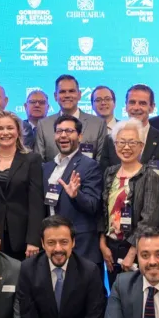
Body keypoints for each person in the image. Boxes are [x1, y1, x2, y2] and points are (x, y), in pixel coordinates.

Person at [99, 120, 159, 288]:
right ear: (115, 145)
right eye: (121, 142)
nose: (126, 147)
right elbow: (103, 210)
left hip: (136, 247)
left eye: (132, 142)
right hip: (110, 246)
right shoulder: (110, 173)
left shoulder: (150, 176)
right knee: (115, 293)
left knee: (134, 294)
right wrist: (103, 244)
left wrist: (132, 252)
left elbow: (149, 219)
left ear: (141, 146)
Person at [0, 110, 43, 261]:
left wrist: (33, 240)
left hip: (22, 238)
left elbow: (36, 203)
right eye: (0, 128)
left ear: (18, 131)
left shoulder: (32, 160)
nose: (5, 133)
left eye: (10, 128)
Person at [42, 114, 103, 270]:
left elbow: (93, 205)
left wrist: (76, 195)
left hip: (80, 245)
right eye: (59, 131)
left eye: (69, 131)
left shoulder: (90, 166)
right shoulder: (47, 167)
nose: (63, 135)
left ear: (80, 136)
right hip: (52, 244)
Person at [100, 85, 159, 174]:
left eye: (142, 103)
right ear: (126, 106)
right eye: (132, 102)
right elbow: (104, 175)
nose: (136, 108)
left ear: (152, 107)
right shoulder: (111, 139)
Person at [35, 75, 108, 163]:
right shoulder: (43, 125)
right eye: (62, 92)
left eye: (71, 91)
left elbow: (101, 162)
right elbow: (39, 162)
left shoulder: (98, 124)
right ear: (55, 96)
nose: (67, 95)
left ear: (79, 95)